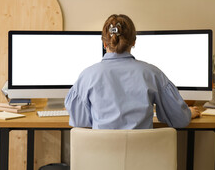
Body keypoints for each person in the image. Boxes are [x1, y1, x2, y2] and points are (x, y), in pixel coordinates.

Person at [65, 14, 200, 129]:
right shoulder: (153, 74)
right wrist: (188, 113)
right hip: (143, 158)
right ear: (134, 42)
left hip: (102, 158)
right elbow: (179, 120)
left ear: (104, 43)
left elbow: (79, 121)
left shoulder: (87, 76)